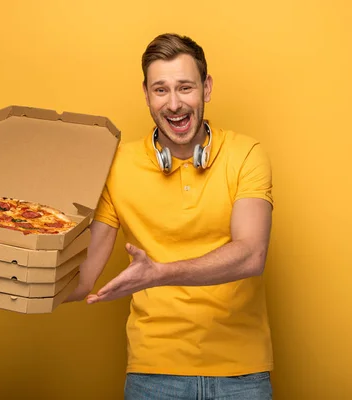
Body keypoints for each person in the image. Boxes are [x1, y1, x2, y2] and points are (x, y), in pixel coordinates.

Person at [66, 33, 275, 399]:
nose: (174, 104)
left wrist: (159, 274)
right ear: (146, 94)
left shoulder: (246, 154)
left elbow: (251, 254)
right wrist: (2, 274)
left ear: (206, 88)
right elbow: (84, 278)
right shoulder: (117, 167)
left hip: (244, 374)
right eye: (161, 90)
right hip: (153, 374)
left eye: (185, 87)